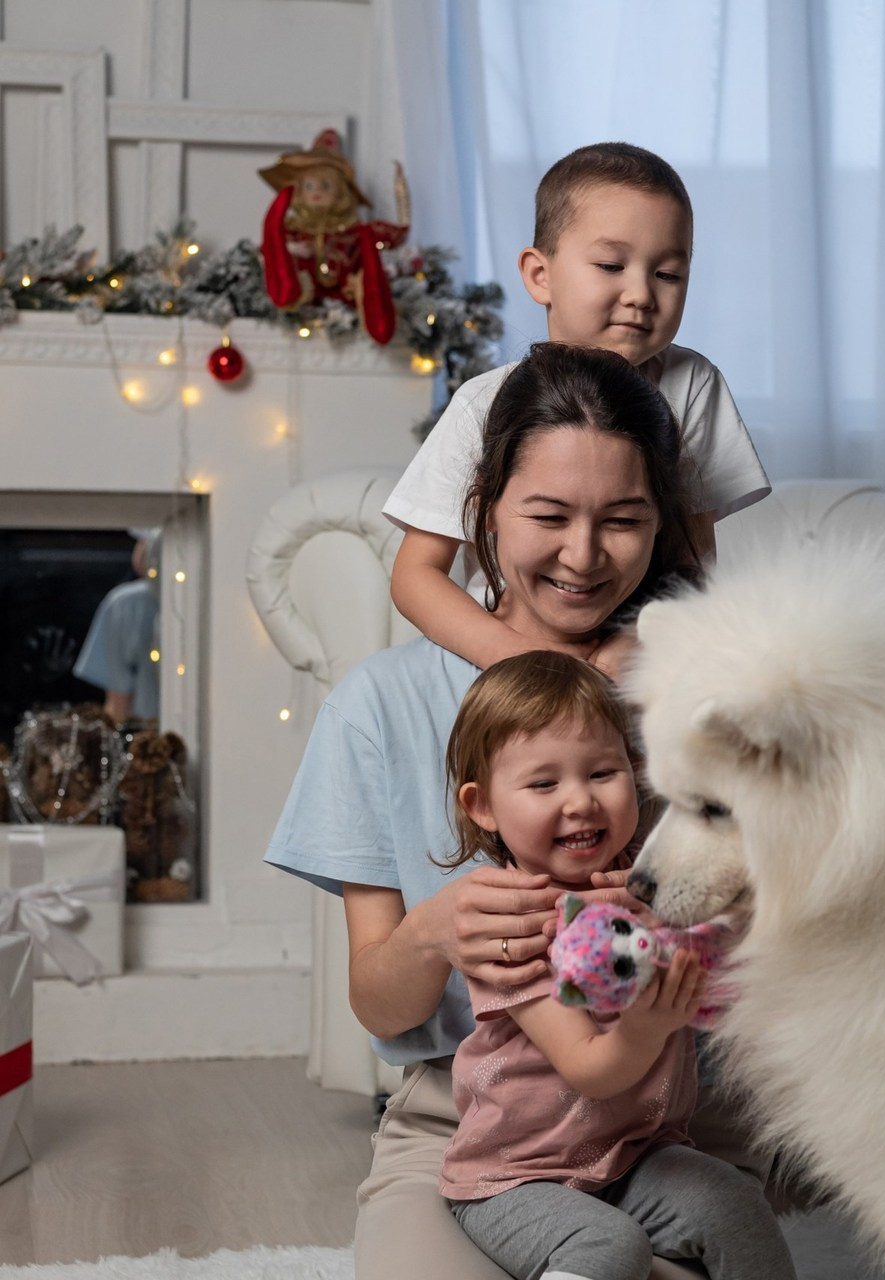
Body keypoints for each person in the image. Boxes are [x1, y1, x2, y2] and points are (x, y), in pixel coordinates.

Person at [266, 343, 781, 1280]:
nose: (584, 557)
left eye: (623, 521)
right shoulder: (379, 707)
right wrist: (435, 932)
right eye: (547, 515)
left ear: (663, 526)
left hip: (671, 1121)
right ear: (484, 512)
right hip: (468, 1133)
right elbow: (377, 1004)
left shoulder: (708, 698)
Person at [439, 651, 797, 1280]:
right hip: (514, 1180)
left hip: (635, 1157)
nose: (580, 802)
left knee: (733, 1205)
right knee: (608, 1247)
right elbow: (589, 1068)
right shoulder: (514, 924)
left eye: (603, 772)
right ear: (484, 806)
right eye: (544, 784)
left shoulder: (656, 884)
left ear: (638, 774)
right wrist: (645, 1025)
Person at [382, 141, 770, 677]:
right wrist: (517, 659)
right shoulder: (484, 403)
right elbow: (415, 575)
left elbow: (692, 559)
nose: (641, 293)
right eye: (612, 264)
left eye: (668, 274)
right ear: (540, 275)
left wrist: (628, 651)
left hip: (638, 660)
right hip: (504, 660)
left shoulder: (692, 385)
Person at [73, 529, 161, 723]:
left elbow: (118, 701)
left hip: (144, 736)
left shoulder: (126, 604)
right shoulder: (130, 603)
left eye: (142, 541)